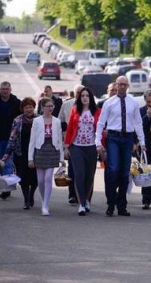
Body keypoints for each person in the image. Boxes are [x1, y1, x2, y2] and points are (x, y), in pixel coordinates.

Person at [95, 76, 146, 217]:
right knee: (113, 169)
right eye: (120, 84)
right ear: (116, 86)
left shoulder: (133, 102)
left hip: (128, 138)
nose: (122, 87)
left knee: (124, 173)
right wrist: (97, 142)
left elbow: (137, 123)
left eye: (125, 84)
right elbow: (100, 123)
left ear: (128, 86)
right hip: (113, 138)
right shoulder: (109, 103)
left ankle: (122, 206)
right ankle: (111, 204)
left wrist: (142, 141)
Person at [64, 87, 101, 216]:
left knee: (89, 176)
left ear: (90, 98)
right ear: (79, 98)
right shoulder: (75, 110)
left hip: (91, 147)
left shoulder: (97, 111)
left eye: (87, 95)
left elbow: (101, 130)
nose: (85, 97)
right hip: (77, 147)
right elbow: (69, 129)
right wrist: (66, 146)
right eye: (82, 95)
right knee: (79, 175)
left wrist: (101, 146)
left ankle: (87, 200)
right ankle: (81, 204)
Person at [28, 97, 65, 216]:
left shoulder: (57, 121)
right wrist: (30, 158)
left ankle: (45, 205)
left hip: (52, 150)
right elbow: (32, 141)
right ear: (42, 107)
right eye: (48, 106)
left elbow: (59, 140)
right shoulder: (37, 121)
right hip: (40, 150)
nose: (51, 108)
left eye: (52, 106)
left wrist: (61, 158)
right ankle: (44, 200)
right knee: (40, 180)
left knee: (48, 178)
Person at [2, 97, 38, 210]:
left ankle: (32, 195)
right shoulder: (17, 120)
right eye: (26, 107)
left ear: (34, 108)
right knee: (23, 179)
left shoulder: (39, 119)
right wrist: (6, 155)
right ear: (22, 109)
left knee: (36, 179)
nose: (29, 109)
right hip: (21, 154)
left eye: (31, 107)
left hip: (36, 154)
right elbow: (12, 138)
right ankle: (26, 200)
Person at [58, 84, 84, 205]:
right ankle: (72, 194)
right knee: (73, 169)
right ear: (74, 94)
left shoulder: (89, 106)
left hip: (85, 142)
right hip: (71, 142)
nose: (80, 95)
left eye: (82, 92)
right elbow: (61, 123)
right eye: (78, 93)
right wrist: (64, 144)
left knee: (84, 170)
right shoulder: (67, 105)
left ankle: (83, 195)